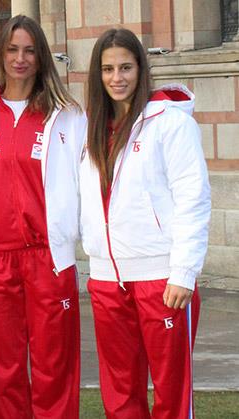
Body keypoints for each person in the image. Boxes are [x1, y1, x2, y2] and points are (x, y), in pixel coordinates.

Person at [80, 28, 210, 419]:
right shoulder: (91, 128)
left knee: (171, 392)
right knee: (120, 392)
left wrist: (183, 272)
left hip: (161, 278)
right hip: (107, 279)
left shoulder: (170, 123)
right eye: (107, 69)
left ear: (141, 69)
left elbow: (193, 198)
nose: (116, 78)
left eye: (125, 67)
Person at [0, 15, 86, 419]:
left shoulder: (66, 115)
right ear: (0, 54)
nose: (20, 58)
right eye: (13, 49)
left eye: (29, 50)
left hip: (48, 258)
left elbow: (87, 179)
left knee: (54, 367)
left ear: (41, 56)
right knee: (5, 370)